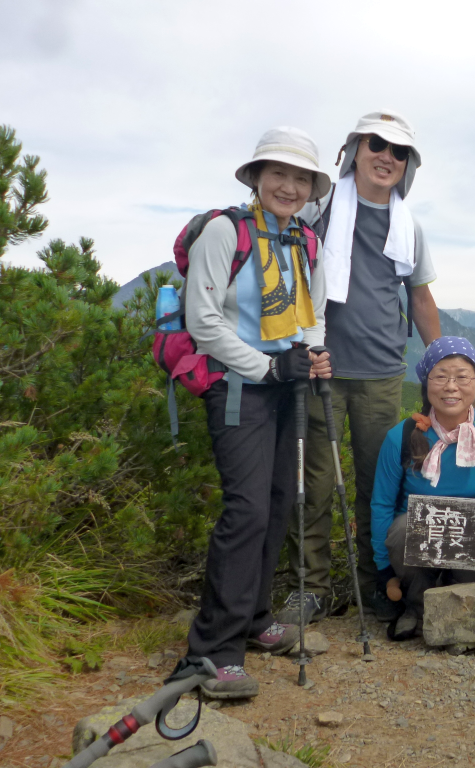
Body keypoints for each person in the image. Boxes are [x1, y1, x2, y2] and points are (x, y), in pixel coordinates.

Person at [182, 127, 333, 699]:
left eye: (301, 178)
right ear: (257, 177)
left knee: (276, 503)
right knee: (245, 510)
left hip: (285, 383)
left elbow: (312, 310)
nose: (289, 186)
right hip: (238, 386)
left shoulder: (305, 241)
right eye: (279, 174)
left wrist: (313, 354)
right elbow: (203, 319)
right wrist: (267, 368)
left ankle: (253, 617)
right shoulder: (224, 231)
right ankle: (213, 650)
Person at [280, 110, 442, 626]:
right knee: (315, 483)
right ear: (355, 148)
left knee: (380, 483)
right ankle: (311, 587)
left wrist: (439, 369)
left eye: (399, 152)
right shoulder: (319, 207)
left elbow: (420, 297)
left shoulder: (408, 226)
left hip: (381, 371)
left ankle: (377, 584)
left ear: (407, 166)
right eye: (378, 144)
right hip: (316, 366)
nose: (386, 157)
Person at [370, 337, 475, 639]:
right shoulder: (401, 436)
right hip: (414, 544)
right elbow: (382, 504)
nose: (451, 386)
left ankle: (450, 603)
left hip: (470, 538)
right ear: (426, 383)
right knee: (401, 530)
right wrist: (385, 570)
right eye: (440, 376)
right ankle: (417, 605)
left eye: (462, 377)